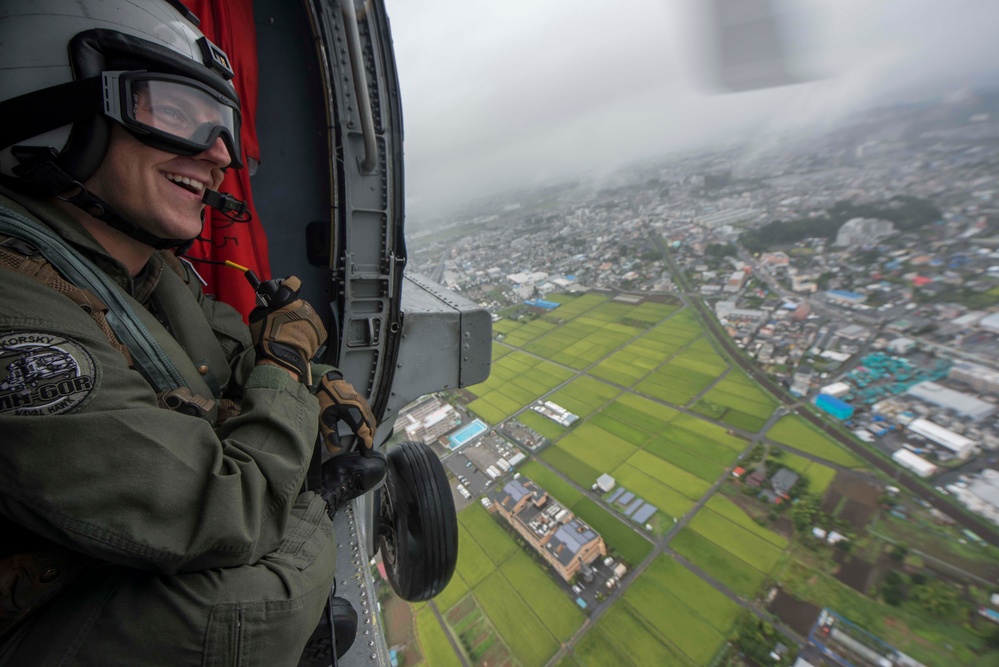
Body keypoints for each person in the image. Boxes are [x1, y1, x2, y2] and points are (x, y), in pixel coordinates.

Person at [0, 1, 385, 664]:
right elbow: (228, 506)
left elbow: (234, 355)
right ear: (55, 107)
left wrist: (298, 379)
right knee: (249, 609)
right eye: (176, 113)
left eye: (224, 128)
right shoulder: (19, 307)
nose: (219, 155)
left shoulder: (145, 266)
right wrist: (290, 374)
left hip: (110, 547)